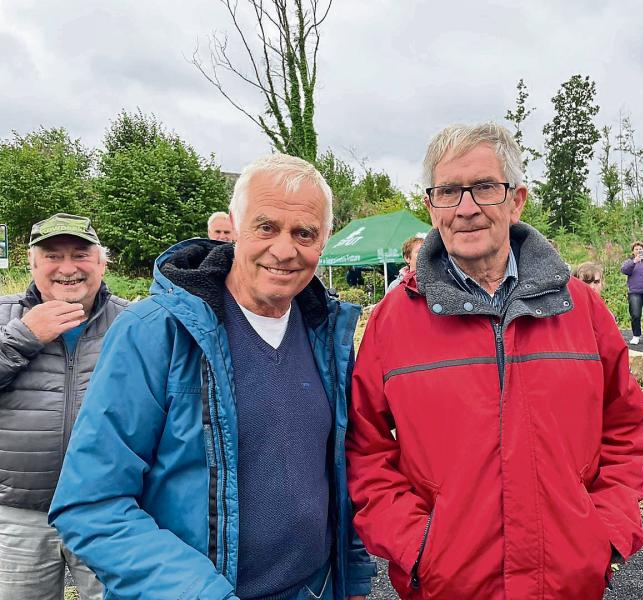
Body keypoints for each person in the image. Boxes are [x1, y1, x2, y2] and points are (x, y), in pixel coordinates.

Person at [346, 123, 643, 599]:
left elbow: (626, 428)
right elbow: (364, 448)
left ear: (516, 200)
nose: (466, 208)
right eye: (448, 191)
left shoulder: (582, 310)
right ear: (430, 207)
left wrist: (606, 532)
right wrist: (418, 545)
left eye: (484, 187)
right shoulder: (393, 321)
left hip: (568, 584)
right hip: (449, 585)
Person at [49, 155, 376, 600]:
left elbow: (342, 473)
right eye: (266, 227)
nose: (284, 249)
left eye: (304, 233)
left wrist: (353, 580)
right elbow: (90, 504)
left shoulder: (327, 333)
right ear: (234, 227)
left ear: (324, 240)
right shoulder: (154, 332)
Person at [0, 213, 128, 600]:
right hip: (18, 514)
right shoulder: (4, 316)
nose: (68, 268)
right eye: (53, 256)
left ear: (102, 262)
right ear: (33, 263)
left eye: (81, 255)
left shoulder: (132, 323)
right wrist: (22, 338)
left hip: (109, 512)